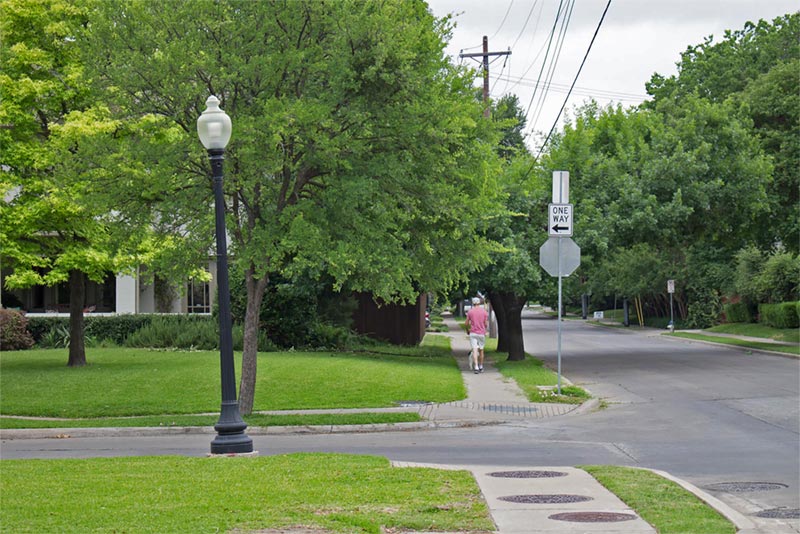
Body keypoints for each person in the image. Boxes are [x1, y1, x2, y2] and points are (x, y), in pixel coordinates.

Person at [465, 296, 489, 373]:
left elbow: (466, 323)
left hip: (473, 333)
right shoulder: (484, 312)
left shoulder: (470, 312)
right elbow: (485, 324)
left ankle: (476, 367)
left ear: (473, 303)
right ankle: (481, 366)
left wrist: (467, 330)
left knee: (475, 350)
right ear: (479, 303)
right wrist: (484, 328)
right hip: (481, 333)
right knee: (481, 350)